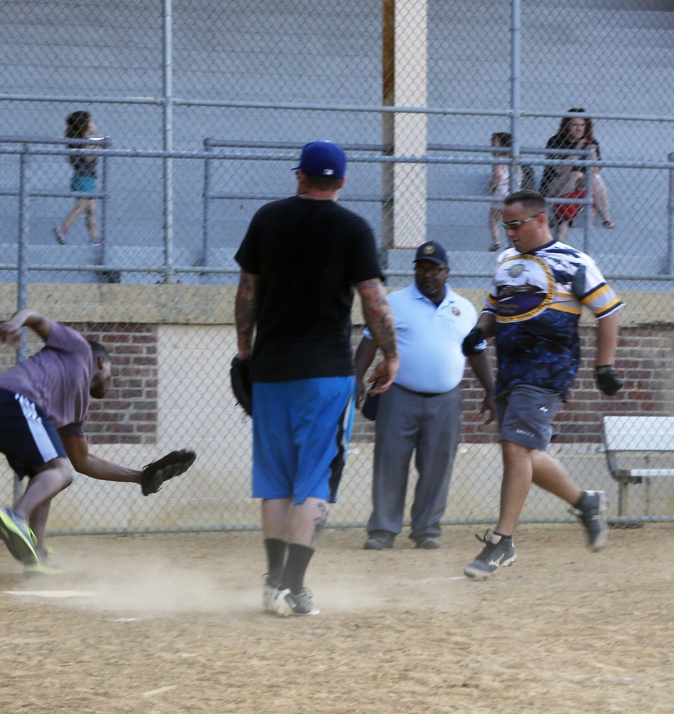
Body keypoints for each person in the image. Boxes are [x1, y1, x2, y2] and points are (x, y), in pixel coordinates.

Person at [234, 140, 398, 617]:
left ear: (300, 176)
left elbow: (247, 292)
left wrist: (247, 351)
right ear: (341, 183)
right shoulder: (353, 229)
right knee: (314, 481)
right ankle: (293, 587)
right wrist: (391, 356)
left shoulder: (267, 218)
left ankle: (272, 584)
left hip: (271, 370)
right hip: (326, 373)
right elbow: (373, 299)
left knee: (275, 480)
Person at [460, 189, 624, 581]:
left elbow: (609, 310)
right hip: (512, 368)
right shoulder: (506, 260)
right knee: (523, 452)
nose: (510, 232)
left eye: (516, 225)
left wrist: (605, 366)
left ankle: (503, 541)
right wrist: (478, 332)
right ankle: (585, 502)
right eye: (506, 226)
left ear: (540, 220)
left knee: (515, 447)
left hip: (549, 369)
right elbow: (493, 307)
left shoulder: (574, 262)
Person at [0, 308, 183, 575]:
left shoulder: (75, 410)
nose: (110, 381)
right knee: (59, 472)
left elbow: (83, 461)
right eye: (112, 373)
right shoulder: (79, 349)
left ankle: (35, 557)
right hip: (12, 398)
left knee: (47, 474)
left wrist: (140, 477)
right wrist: (16, 322)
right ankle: (15, 517)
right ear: (102, 363)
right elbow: (35, 317)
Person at [355, 241, 496, 552]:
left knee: (437, 466)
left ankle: (427, 530)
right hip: (399, 395)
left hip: (446, 399)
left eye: (434, 270)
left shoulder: (464, 308)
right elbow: (369, 339)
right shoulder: (395, 302)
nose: (427, 275)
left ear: (447, 273)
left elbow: (476, 352)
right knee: (390, 463)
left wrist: (490, 390)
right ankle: (382, 530)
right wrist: (357, 378)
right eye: (421, 269)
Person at [539, 108, 615, 230]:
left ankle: (606, 219)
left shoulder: (591, 142)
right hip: (553, 187)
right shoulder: (555, 141)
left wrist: (593, 153)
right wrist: (576, 151)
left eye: (582, 125)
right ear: (567, 126)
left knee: (593, 177)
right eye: (574, 125)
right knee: (576, 175)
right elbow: (561, 171)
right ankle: (564, 216)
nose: (579, 128)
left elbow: (595, 171)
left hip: (580, 187)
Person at [53, 110, 102, 246]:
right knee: (82, 205)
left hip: (84, 180)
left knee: (92, 211)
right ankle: (63, 228)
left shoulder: (77, 142)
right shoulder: (84, 143)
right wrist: (97, 149)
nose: (94, 125)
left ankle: (95, 239)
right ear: (85, 126)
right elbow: (88, 157)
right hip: (84, 180)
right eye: (92, 122)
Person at [487, 132, 523, 252]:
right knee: (511, 220)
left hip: (501, 191)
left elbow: (497, 175)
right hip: (513, 192)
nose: (492, 146)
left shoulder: (498, 160)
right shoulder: (513, 159)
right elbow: (521, 175)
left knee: (493, 219)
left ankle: (496, 241)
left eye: (495, 144)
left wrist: (492, 186)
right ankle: (511, 243)